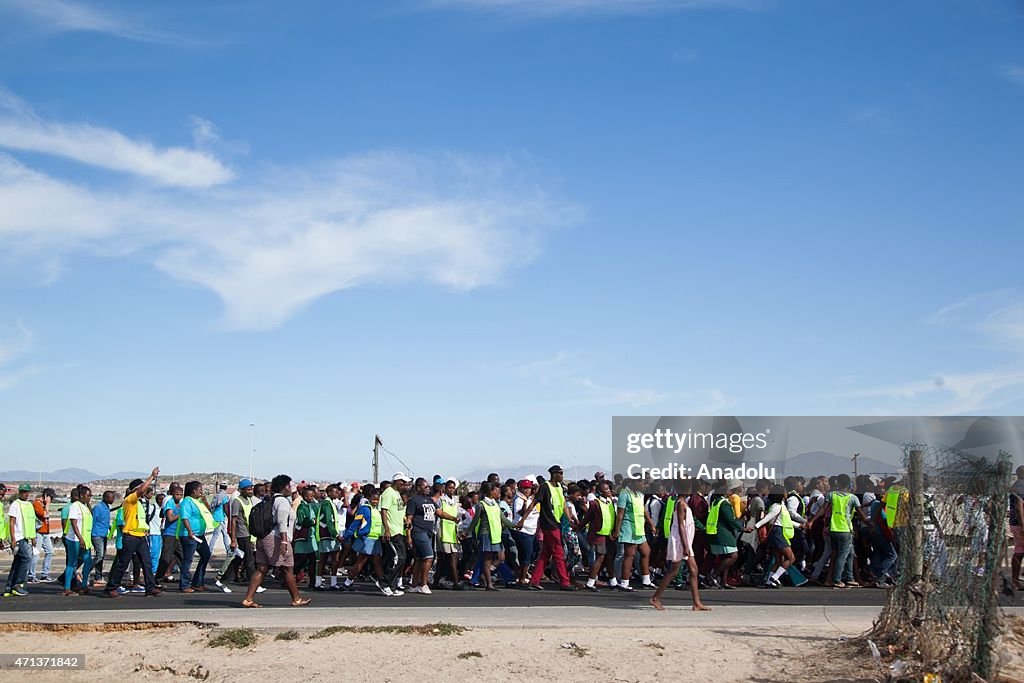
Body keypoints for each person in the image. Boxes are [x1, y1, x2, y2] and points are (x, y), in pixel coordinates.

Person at [242, 474, 310, 607]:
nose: (291, 488)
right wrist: (284, 542)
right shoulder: (283, 501)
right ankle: (296, 598)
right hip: (276, 538)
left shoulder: (272, 500)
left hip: (264, 538)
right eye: (289, 485)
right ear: (284, 487)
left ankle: (248, 599)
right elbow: (282, 522)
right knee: (287, 568)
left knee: (261, 569)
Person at [104, 468, 162, 598]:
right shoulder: (130, 499)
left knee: (146, 563)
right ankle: (111, 587)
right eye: (141, 488)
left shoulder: (140, 503)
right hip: (130, 536)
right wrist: (151, 477)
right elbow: (141, 490)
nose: (144, 490)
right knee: (123, 563)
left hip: (140, 536)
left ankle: (150, 587)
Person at [518, 465, 574, 591]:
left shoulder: (559, 487)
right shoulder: (545, 487)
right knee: (559, 554)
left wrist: (570, 519)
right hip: (549, 525)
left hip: (556, 523)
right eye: (560, 473)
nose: (562, 476)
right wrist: (523, 519)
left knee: (545, 554)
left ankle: (534, 580)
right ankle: (565, 582)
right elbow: (534, 503)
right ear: (554, 474)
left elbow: (563, 504)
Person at [651, 492, 709, 611]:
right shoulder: (680, 504)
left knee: (694, 570)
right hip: (680, 542)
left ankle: (696, 603)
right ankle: (656, 597)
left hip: (686, 541)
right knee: (674, 570)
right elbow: (681, 526)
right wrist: (685, 545)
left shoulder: (684, 503)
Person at [342, 488, 396, 596]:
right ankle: (348, 582)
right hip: (366, 539)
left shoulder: (378, 510)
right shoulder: (365, 509)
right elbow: (356, 523)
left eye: (377, 499)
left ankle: (383, 583)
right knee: (361, 562)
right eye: (373, 499)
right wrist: (347, 535)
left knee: (376, 562)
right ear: (369, 498)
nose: (375, 501)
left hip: (375, 539)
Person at [406, 479, 456, 594]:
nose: (428, 488)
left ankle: (414, 585)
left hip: (428, 532)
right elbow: (409, 519)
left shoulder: (429, 500)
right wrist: (408, 536)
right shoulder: (414, 501)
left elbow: (439, 512)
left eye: (429, 486)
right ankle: (423, 584)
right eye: (426, 487)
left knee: (419, 559)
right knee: (429, 557)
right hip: (419, 531)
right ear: (418, 488)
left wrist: (453, 518)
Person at [751, 485, 804, 589]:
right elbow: (767, 518)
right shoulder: (777, 507)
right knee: (791, 558)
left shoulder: (780, 506)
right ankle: (774, 578)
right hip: (778, 533)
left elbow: (787, 521)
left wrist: (799, 525)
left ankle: (768, 581)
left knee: (779, 560)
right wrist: (755, 527)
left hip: (777, 532)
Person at [468, 482, 517, 591]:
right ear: (490, 492)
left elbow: (503, 519)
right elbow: (474, 521)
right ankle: (489, 584)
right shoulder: (481, 505)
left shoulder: (495, 504)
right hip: (486, 534)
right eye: (496, 491)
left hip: (496, 534)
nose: (498, 493)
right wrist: (468, 533)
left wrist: (514, 525)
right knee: (487, 559)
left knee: (500, 558)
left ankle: (485, 575)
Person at [612, 477, 656, 591]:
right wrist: (617, 530)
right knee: (629, 555)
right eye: (643, 483)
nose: (645, 486)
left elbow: (643, 510)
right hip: (629, 528)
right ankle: (624, 583)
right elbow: (620, 514)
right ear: (635, 483)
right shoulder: (624, 494)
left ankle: (646, 580)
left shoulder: (640, 495)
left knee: (646, 552)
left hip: (639, 528)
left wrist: (651, 524)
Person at [706, 480, 744, 589]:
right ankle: (713, 575)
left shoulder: (716, 501)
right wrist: (743, 528)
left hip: (717, 531)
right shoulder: (724, 503)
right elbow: (731, 519)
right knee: (733, 556)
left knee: (725, 556)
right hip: (724, 533)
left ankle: (723, 581)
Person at [178, 480, 214, 593]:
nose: (201, 492)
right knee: (188, 559)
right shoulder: (187, 502)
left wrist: (205, 501)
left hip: (199, 534)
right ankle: (184, 584)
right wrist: (189, 531)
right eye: (200, 490)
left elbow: (209, 512)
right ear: (194, 491)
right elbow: (185, 517)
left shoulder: (198, 502)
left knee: (206, 555)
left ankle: (197, 582)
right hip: (190, 535)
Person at [4, 483, 38, 597]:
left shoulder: (29, 505)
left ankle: (9, 586)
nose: (25, 493)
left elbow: (31, 522)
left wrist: (33, 537)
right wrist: (13, 538)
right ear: (19, 492)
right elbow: (12, 522)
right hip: (18, 537)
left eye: (26, 491)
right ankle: (18, 584)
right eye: (23, 491)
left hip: (26, 536)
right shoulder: (15, 504)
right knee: (27, 558)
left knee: (18, 561)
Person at [380, 472, 412, 594]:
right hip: (392, 531)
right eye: (403, 482)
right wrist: (387, 529)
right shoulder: (388, 493)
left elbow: (398, 511)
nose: (404, 485)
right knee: (399, 557)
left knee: (399, 558)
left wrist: (405, 521)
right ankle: (384, 582)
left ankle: (391, 585)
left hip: (399, 529)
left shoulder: (397, 494)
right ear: (397, 481)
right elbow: (384, 511)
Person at [62, 485, 95, 596]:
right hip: (75, 539)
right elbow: (74, 523)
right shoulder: (75, 506)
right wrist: (80, 538)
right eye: (88, 495)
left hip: (85, 540)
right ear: (82, 495)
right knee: (72, 563)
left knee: (88, 561)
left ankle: (84, 585)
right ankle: (67, 588)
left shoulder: (85, 507)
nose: (90, 497)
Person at [584, 479, 616, 591]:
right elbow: (587, 518)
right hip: (599, 534)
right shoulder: (595, 503)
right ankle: (590, 582)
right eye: (606, 489)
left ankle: (613, 581)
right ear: (600, 492)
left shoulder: (610, 502)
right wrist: (578, 527)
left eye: (609, 489)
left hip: (608, 534)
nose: (609, 491)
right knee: (600, 557)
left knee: (609, 558)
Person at [436, 478, 465, 590]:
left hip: (453, 530)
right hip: (443, 530)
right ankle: (456, 582)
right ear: (445, 488)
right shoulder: (441, 500)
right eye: (449, 488)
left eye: (453, 488)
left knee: (452, 556)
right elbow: (439, 512)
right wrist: (452, 518)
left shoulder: (456, 501)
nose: (451, 490)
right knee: (446, 557)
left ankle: (438, 580)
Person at [315, 483, 344, 590]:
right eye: (336, 492)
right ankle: (332, 583)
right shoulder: (327, 504)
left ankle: (320, 582)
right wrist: (335, 534)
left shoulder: (328, 503)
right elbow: (328, 520)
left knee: (324, 559)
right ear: (330, 492)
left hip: (326, 535)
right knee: (333, 559)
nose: (338, 493)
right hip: (328, 535)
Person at [511, 479, 539, 586]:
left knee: (533, 552)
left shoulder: (531, 498)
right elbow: (522, 512)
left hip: (532, 530)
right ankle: (521, 578)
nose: (527, 490)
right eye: (525, 488)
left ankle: (522, 573)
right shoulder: (519, 499)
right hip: (523, 530)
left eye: (529, 488)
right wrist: (525, 504)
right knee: (526, 554)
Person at [156, 483, 184, 582]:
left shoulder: (181, 504)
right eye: (177, 494)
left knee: (182, 556)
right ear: (172, 494)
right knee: (165, 558)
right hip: (170, 534)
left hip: (178, 534)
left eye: (181, 495)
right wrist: (181, 514)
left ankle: (186, 578)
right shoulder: (170, 503)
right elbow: (170, 517)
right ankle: (158, 578)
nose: (179, 496)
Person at [28, 488, 55, 583]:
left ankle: (45, 574)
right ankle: (31, 575)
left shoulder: (42, 505)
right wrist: (47, 505)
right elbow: (44, 515)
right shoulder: (36, 504)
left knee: (50, 551)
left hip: (45, 532)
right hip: (38, 532)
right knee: (36, 554)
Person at [90, 490, 115, 587]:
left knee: (101, 557)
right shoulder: (98, 508)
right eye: (111, 498)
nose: (113, 499)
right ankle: (86, 572)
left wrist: (110, 529)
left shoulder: (107, 508)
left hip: (103, 534)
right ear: (105, 498)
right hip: (97, 534)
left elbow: (106, 521)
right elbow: (93, 521)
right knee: (99, 555)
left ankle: (98, 577)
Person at [208, 482, 232, 557]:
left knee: (224, 534)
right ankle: (209, 551)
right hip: (220, 518)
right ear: (226, 488)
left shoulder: (217, 495)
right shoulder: (224, 496)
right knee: (216, 535)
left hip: (215, 517)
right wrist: (229, 517)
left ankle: (228, 551)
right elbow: (225, 508)